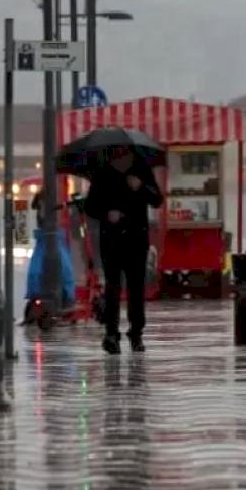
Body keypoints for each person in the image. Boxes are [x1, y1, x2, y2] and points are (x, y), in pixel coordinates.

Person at [84, 146, 163, 354]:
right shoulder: (102, 174)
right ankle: (111, 333)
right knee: (113, 287)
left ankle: (136, 333)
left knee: (136, 288)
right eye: (117, 154)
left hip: (137, 239)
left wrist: (141, 187)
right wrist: (107, 213)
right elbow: (90, 206)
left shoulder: (142, 170)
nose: (122, 158)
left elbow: (157, 200)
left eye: (125, 154)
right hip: (111, 239)